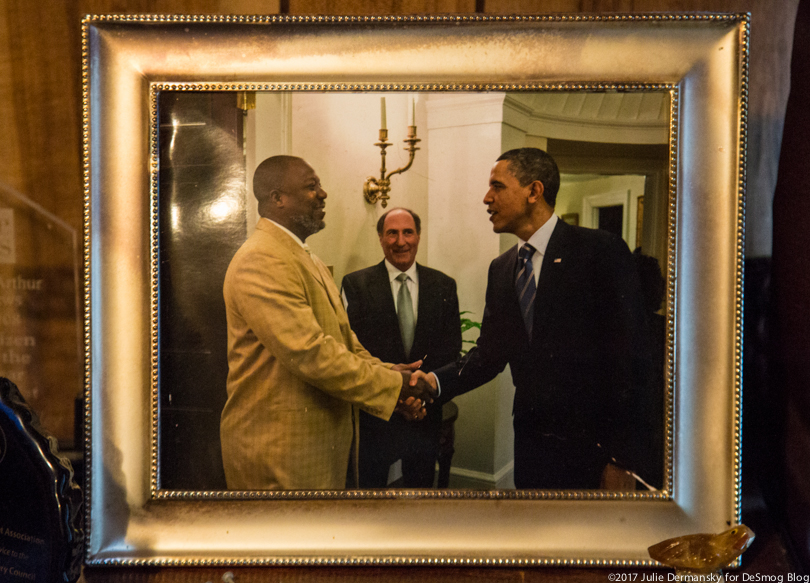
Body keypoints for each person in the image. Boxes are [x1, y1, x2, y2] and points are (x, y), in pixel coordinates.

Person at [412, 147, 657, 490]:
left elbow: (633, 361)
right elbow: (489, 355)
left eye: (497, 186)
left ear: (534, 191)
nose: (487, 198)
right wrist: (435, 383)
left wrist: (622, 461)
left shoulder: (600, 252)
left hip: (595, 452)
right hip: (531, 448)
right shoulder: (502, 270)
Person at [220, 155, 434, 491]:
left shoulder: (308, 258)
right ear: (277, 198)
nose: (323, 194)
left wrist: (390, 372)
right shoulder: (260, 259)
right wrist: (395, 387)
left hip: (316, 449)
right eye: (311, 186)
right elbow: (311, 353)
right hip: (279, 454)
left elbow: (344, 341)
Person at [341, 208, 462, 488]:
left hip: (424, 411)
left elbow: (450, 349)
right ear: (381, 239)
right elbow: (352, 348)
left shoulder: (444, 286)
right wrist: (395, 395)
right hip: (377, 413)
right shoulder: (356, 285)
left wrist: (418, 395)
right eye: (391, 233)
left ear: (418, 236)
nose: (400, 241)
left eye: (408, 232)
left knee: (421, 496)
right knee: (370, 497)